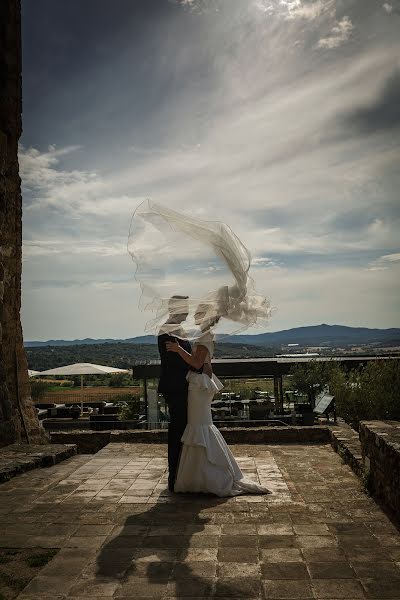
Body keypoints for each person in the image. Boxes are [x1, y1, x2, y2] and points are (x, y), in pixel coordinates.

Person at [166, 303, 271, 497]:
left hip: (199, 387)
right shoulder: (204, 334)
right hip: (199, 384)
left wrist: (177, 349)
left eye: (199, 312)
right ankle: (200, 474)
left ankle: (208, 475)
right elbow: (203, 362)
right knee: (200, 425)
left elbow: (197, 362)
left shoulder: (205, 335)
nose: (195, 314)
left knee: (199, 425)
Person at [157, 295, 192, 492]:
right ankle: (175, 476)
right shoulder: (166, 330)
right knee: (177, 431)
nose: (187, 311)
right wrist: (195, 366)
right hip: (175, 388)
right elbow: (173, 362)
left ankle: (183, 473)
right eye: (185, 308)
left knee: (183, 430)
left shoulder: (179, 330)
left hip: (183, 386)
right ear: (176, 309)